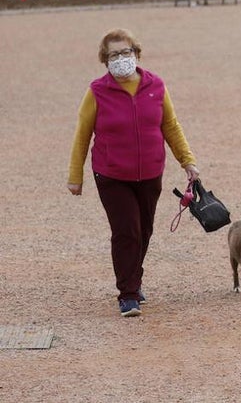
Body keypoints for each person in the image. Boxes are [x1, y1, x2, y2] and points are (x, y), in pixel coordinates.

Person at [67, 29, 200, 317]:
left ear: (136, 53)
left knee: (144, 230)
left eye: (126, 52)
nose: (121, 59)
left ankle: (133, 278)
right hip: (112, 174)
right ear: (105, 60)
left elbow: (171, 126)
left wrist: (187, 160)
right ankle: (128, 294)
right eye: (114, 54)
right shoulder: (97, 92)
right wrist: (75, 175)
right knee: (126, 231)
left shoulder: (156, 86)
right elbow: (82, 135)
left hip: (150, 173)